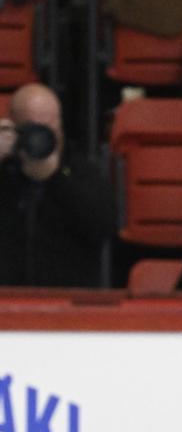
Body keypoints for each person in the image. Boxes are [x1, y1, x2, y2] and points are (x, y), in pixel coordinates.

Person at [0, 84, 116, 288]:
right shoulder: (4, 170)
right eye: (32, 129)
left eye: (49, 128)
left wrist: (56, 176)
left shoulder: (80, 171)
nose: (40, 139)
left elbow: (103, 226)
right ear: (15, 128)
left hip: (67, 300)